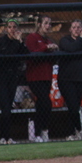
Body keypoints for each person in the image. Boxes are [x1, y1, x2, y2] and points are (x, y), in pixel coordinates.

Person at [25, 15, 59, 143]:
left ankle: (38, 133)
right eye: (46, 23)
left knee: (41, 104)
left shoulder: (49, 40)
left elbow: (52, 60)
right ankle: (41, 130)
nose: (48, 26)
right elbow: (32, 54)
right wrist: (46, 48)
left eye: (50, 24)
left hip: (46, 76)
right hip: (34, 77)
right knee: (46, 102)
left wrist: (53, 51)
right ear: (39, 24)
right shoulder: (32, 37)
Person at [0, 19, 29, 144]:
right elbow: (9, 54)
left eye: (14, 27)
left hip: (13, 78)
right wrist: (17, 42)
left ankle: (8, 137)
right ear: (6, 28)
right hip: (1, 79)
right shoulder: (1, 41)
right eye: (10, 27)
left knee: (9, 107)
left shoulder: (19, 42)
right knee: (5, 108)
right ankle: (2, 137)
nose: (12, 29)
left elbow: (26, 54)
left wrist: (20, 41)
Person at [58, 19, 82, 140]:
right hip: (66, 79)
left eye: (79, 27)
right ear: (70, 29)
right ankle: (77, 130)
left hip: (80, 78)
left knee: (75, 106)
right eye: (74, 27)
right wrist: (81, 39)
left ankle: (73, 132)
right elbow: (71, 48)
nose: (76, 29)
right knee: (72, 105)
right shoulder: (65, 40)